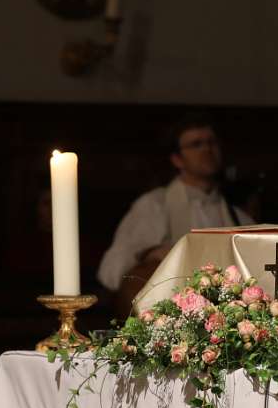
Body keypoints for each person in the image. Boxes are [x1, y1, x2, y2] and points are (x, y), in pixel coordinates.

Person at [97, 113, 252, 312]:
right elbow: (109, 271)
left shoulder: (237, 215)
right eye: (196, 144)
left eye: (211, 142)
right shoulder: (154, 205)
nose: (207, 149)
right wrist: (149, 254)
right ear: (177, 159)